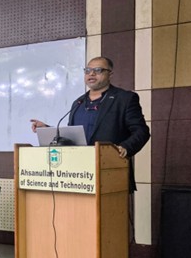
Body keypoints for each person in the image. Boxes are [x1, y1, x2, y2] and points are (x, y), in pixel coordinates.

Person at [30, 56, 150, 190]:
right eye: (87, 70)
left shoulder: (124, 98)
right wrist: (46, 128)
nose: (91, 74)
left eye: (98, 70)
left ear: (110, 74)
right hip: (79, 176)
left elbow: (141, 131)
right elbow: (72, 136)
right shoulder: (78, 102)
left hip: (111, 171)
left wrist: (125, 147)